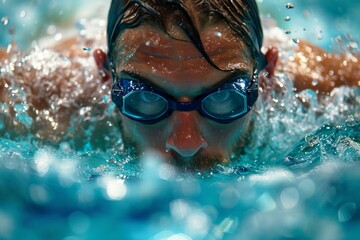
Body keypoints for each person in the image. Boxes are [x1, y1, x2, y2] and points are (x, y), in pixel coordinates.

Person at [1, 0, 358, 171]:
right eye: (144, 99)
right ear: (104, 78)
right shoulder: (44, 101)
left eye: (224, 99)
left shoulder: (323, 90)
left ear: (266, 77)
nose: (185, 143)